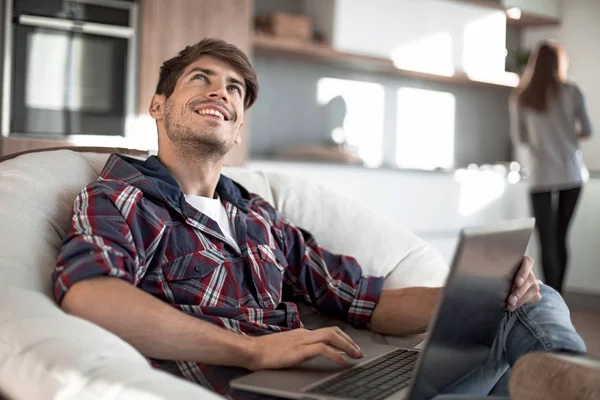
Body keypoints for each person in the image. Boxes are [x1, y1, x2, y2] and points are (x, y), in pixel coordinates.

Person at [54, 38, 588, 400]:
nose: (221, 91)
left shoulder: (259, 217)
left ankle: (571, 376)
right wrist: (253, 349)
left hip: (325, 383)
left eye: (235, 89)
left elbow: (369, 302)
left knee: (530, 300)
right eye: (202, 79)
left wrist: (478, 291)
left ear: (238, 128)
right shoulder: (124, 196)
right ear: (158, 105)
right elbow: (89, 295)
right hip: (246, 386)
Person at [510, 40, 593, 294]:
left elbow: (521, 137)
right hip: (571, 173)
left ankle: (550, 298)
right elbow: (588, 130)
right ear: (559, 62)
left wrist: (544, 142)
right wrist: (566, 140)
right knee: (560, 238)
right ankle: (560, 298)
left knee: (547, 241)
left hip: (541, 175)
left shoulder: (522, 97)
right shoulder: (572, 92)